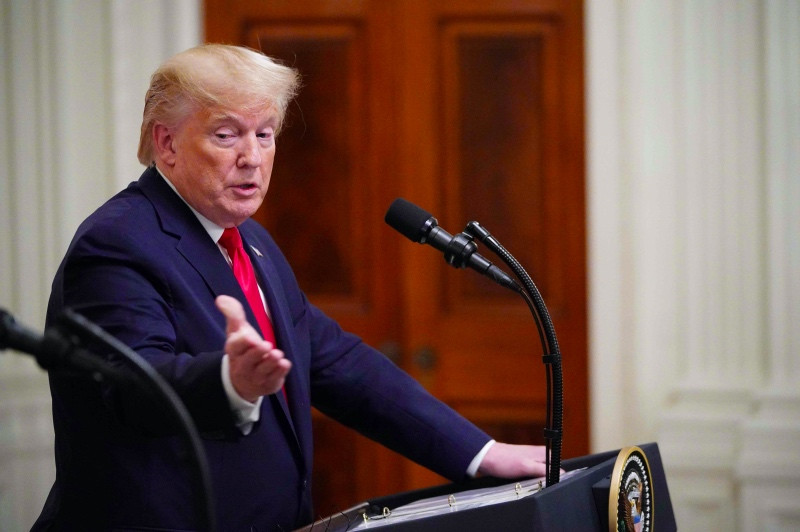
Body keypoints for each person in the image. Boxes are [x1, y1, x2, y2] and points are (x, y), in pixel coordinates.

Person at [33, 44, 550, 531]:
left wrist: (481, 453)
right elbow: (131, 387)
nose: (252, 157)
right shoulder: (118, 243)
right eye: (226, 135)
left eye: (265, 134)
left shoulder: (250, 241)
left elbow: (335, 361)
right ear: (166, 143)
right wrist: (229, 382)